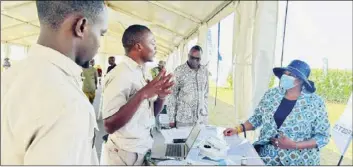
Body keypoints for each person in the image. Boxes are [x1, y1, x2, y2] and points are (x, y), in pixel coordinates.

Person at [1, 1, 108, 165]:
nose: (100, 44)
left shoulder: (10, 77)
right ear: (81, 26)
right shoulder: (68, 103)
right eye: (101, 33)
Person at [223, 60, 330, 166]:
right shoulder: (272, 94)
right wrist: (238, 129)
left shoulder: (315, 102)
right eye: (285, 73)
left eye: (291, 74)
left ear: (300, 80)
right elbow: (257, 118)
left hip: (299, 160)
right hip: (267, 157)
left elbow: (323, 136)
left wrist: (294, 145)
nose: (285, 76)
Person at [102, 24, 174, 165]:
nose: (156, 47)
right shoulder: (121, 74)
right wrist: (142, 94)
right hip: (124, 154)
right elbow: (108, 126)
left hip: (142, 148)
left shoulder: (141, 73)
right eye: (152, 43)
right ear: (139, 46)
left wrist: (161, 96)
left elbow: (151, 114)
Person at [167, 45, 209, 128]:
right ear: (188, 55)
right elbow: (172, 95)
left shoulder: (204, 71)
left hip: (200, 119)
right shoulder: (179, 71)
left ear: (201, 58)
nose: (194, 61)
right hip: (183, 120)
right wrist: (171, 119)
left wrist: (205, 114)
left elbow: (206, 94)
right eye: (192, 57)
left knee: (200, 141)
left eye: (197, 59)